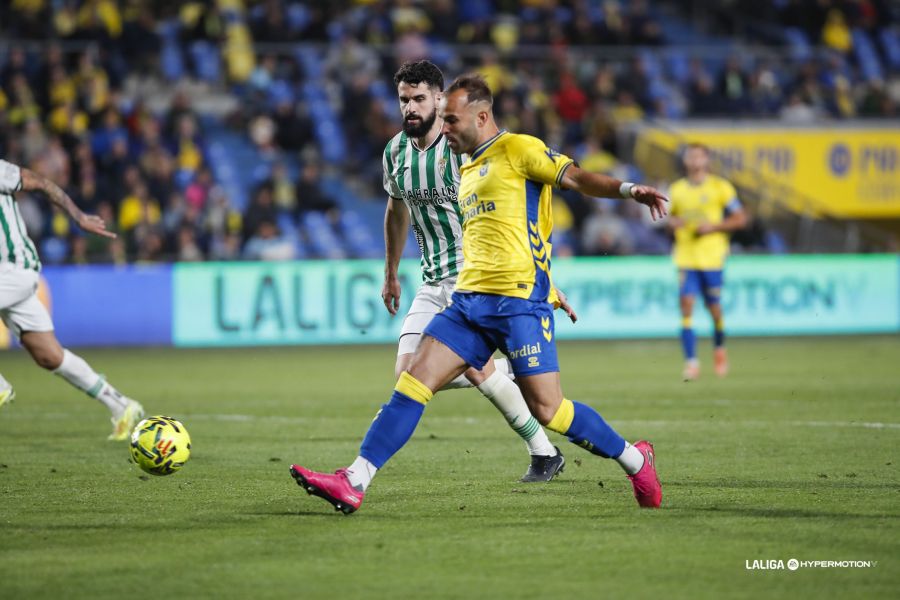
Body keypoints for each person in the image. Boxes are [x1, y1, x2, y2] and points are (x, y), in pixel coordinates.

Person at [290, 75, 667, 513]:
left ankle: (636, 459)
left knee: (550, 410)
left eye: (451, 120)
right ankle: (353, 479)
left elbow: (578, 178)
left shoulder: (520, 149)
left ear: (481, 115)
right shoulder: (466, 167)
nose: (444, 128)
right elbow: (492, 238)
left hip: (519, 305)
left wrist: (628, 190)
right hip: (468, 303)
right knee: (412, 381)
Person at [379, 60, 568, 483]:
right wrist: (391, 271)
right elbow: (396, 209)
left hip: (475, 279)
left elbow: (510, 215)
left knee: (467, 367)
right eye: (404, 100)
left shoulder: (462, 147)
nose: (410, 107)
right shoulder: (395, 152)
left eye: (419, 99)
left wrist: (546, 281)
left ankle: (542, 451)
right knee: (408, 376)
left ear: (440, 99)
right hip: (432, 280)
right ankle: (515, 370)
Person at [0, 159, 144, 440]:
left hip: (13, 268)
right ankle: (121, 404)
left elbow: (40, 182)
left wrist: (78, 217)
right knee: (48, 355)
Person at [667, 143, 747, 380]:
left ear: (707, 160)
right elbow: (668, 218)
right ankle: (691, 362)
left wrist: (714, 227)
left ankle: (719, 348)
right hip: (686, 257)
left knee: (714, 309)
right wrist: (672, 223)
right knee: (687, 305)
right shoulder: (677, 189)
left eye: (699, 156)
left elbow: (740, 218)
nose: (694, 161)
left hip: (712, 257)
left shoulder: (720, 187)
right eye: (691, 156)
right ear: (685, 161)